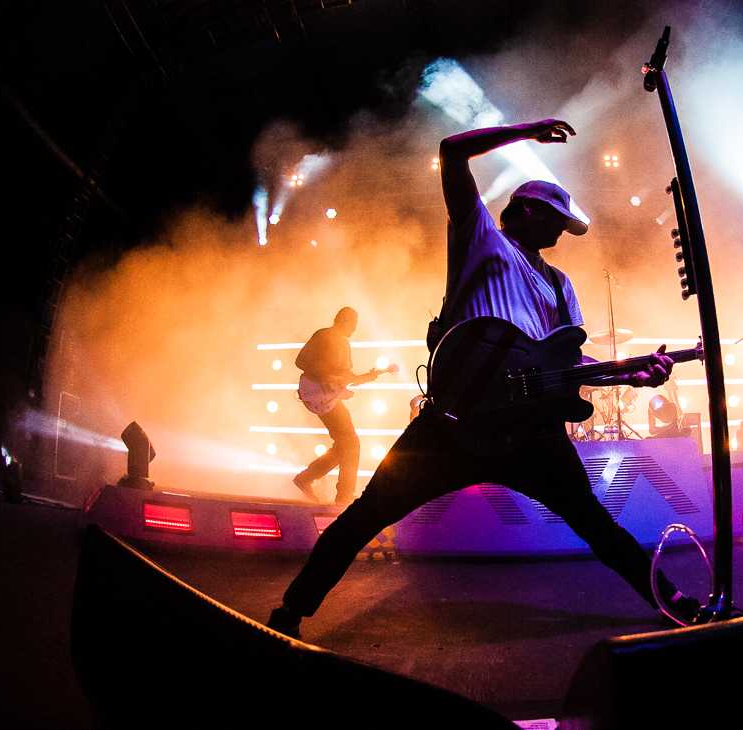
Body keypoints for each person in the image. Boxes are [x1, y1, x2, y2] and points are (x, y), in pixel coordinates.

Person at [267, 119, 700, 638]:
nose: (562, 232)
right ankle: (288, 616)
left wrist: (631, 375)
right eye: (555, 219)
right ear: (524, 210)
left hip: (531, 433)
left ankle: (672, 602)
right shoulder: (482, 240)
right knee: (365, 516)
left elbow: (566, 367)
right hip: (452, 423)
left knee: (598, 526)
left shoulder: (562, 286)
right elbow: (451, 151)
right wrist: (529, 132)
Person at [292, 307, 387, 504]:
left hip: (327, 397)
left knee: (345, 445)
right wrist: (324, 376)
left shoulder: (344, 344)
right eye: (353, 325)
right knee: (351, 443)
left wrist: (368, 376)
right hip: (319, 394)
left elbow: (344, 377)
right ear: (344, 321)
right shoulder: (324, 335)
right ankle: (343, 497)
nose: (354, 330)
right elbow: (300, 360)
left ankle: (306, 479)